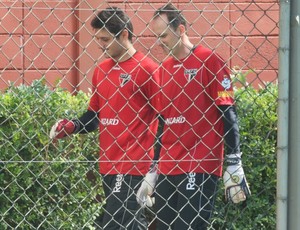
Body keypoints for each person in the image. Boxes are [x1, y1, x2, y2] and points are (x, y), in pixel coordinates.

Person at [136, 3, 250, 230]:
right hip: (168, 166)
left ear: (180, 30)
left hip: (199, 163)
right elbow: (162, 123)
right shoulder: (164, 69)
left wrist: (234, 161)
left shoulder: (210, 61)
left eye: (164, 35)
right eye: (157, 36)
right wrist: (153, 168)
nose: (160, 42)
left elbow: (228, 112)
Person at [49, 7, 160, 230]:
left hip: (134, 163)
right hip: (108, 163)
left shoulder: (148, 69)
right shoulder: (101, 70)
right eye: (98, 39)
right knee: (126, 223)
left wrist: (156, 166)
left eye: (106, 39)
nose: (101, 44)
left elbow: (164, 117)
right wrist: (71, 126)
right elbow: (94, 117)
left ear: (125, 34)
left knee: (118, 223)